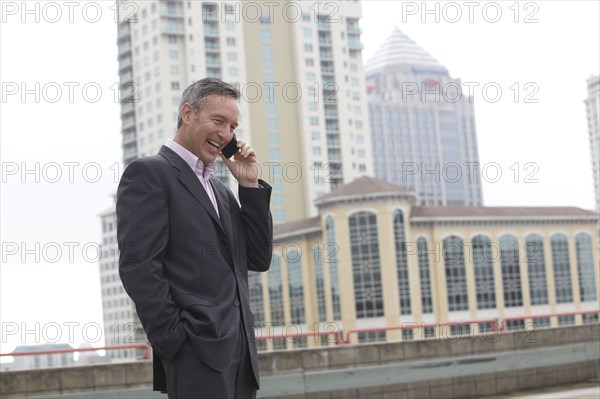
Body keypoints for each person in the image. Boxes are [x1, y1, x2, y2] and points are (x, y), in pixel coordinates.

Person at [116, 78, 273, 399]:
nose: (227, 134)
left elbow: (258, 258)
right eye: (218, 121)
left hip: (240, 357)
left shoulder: (220, 190)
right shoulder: (149, 174)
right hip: (195, 355)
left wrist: (249, 185)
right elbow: (139, 267)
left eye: (232, 126)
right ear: (188, 113)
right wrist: (177, 343)